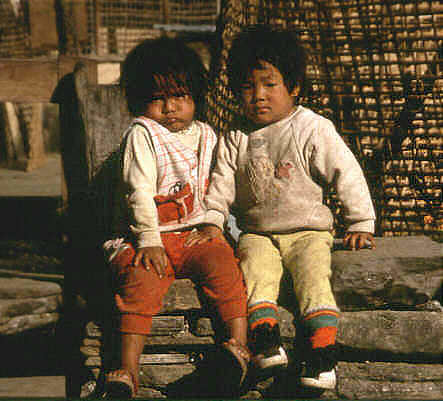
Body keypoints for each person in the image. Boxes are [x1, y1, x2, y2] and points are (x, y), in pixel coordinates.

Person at [193, 25, 376, 391]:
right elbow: (221, 184)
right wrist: (212, 221)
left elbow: (347, 172)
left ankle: (322, 355)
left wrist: (361, 222)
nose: (259, 95)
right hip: (258, 234)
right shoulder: (236, 137)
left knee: (313, 280)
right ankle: (266, 342)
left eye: (269, 84)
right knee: (254, 274)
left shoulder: (312, 128)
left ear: (293, 87)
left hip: (309, 232)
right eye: (248, 86)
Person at [102, 37, 249, 398]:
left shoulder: (207, 135)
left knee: (225, 265)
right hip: (145, 235)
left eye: (180, 96)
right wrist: (149, 241)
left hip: (193, 233)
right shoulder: (143, 134)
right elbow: (138, 191)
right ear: (140, 100)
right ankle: (127, 370)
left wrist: (213, 223)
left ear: (195, 95)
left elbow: (219, 185)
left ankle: (238, 348)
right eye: (158, 98)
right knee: (140, 279)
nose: (170, 107)